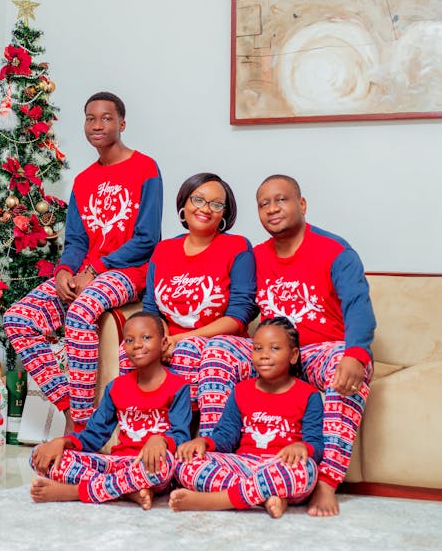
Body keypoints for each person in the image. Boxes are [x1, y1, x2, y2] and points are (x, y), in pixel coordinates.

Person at [198, 174, 376, 517]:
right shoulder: (255, 255)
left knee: (348, 362)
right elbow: (242, 307)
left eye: (281, 200)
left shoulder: (335, 250)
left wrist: (357, 353)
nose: (272, 209)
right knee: (219, 349)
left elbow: (359, 308)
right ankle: (213, 458)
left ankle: (325, 482)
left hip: (322, 350)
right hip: (272, 352)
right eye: (264, 204)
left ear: (302, 204)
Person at [4, 92, 163, 432]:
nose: (97, 124)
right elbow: (76, 240)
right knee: (18, 318)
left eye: (106, 118)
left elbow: (147, 238)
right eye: (90, 118)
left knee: (79, 313)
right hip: (86, 272)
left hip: (128, 272)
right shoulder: (84, 180)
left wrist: (96, 269)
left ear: (122, 123)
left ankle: (82, 423)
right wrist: (64, 271)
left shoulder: (145, 168)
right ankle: (68, 406)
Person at [119, 172, 257, 431]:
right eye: (199, 199)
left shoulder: (237, 247)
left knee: (188, 350)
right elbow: (151, 307)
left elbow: (240, 315)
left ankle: (208, 444)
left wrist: (178, 339)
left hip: (220, 341)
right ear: (184, 204)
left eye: (216, 204)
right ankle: (139, 438)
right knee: (130, 351)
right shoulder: (164, 250)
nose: (206, 209)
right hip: (168, 337)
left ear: (224, 213)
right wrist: (161, 339)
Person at [29, 311, 191, 507]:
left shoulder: (178, 387)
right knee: (40, 454)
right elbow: (93, 437)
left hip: (150, 466)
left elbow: (182, 437)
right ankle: (126, 491)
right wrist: (61, 442)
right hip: (116, 464)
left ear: (164, 343)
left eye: (146, 337)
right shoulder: (116, 388)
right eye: (130, 340)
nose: (137, 345)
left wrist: (162, 440)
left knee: (165, 465)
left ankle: (76, 491)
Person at [169, 317, 323, 517]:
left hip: (280, 465)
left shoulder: (308, 395)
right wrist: (203, 442)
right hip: (242, 465)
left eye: (274, 348)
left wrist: (303, 447)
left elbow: (317, 446)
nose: (264, 355)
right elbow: (225, 437)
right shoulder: (241, 391)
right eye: (258, 349)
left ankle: (218, 500)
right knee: (184, 462)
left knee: (306, 471)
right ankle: (266, 497)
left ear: (293, 355)